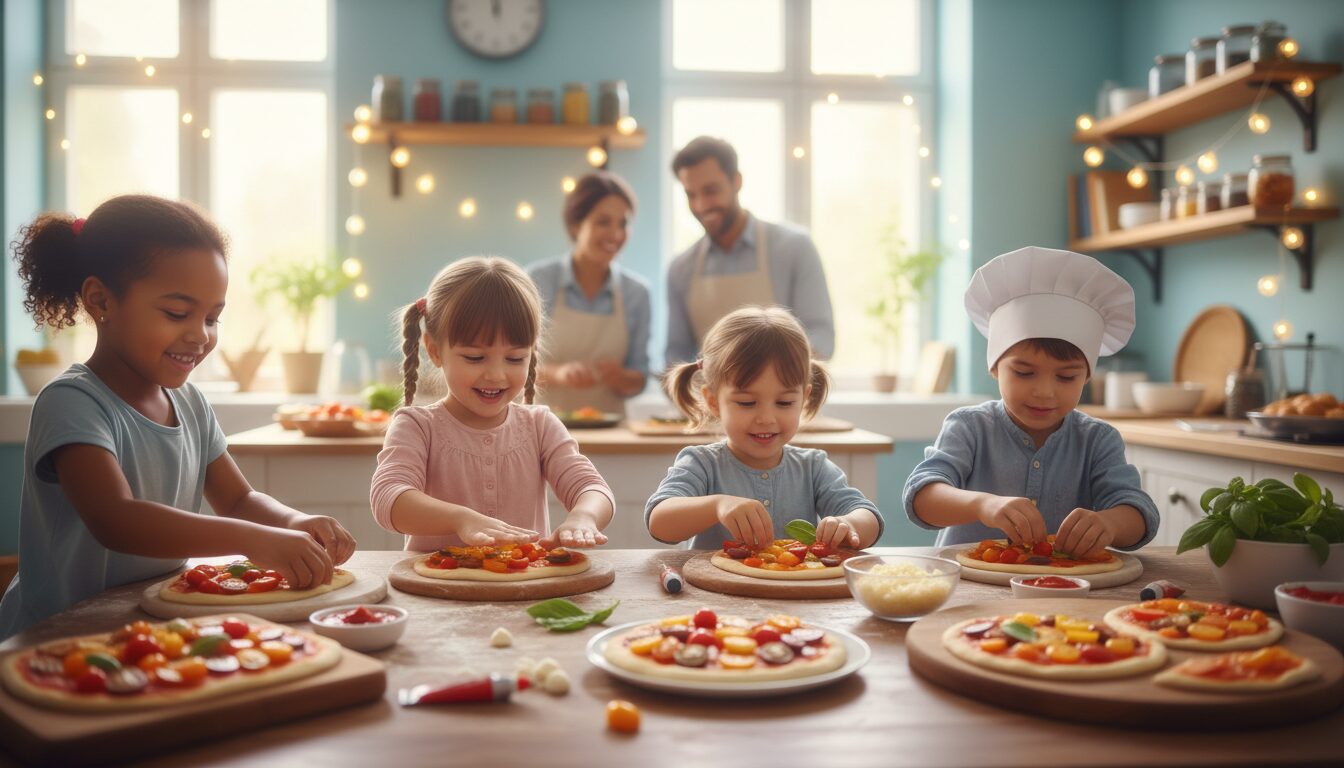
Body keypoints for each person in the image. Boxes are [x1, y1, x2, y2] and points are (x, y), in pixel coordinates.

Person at [0, 195, 356, 640]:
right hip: (56, 639)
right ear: (100, 300)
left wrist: (291, 522)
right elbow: (117, 519)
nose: (200, 335)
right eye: (177, 313)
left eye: (213, 317)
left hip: (147, 632)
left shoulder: (189, 403)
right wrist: (252, 539)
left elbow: (240, 500)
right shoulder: (71, 401)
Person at [903, 246, 1159, 556]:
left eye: (1066, 378)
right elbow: (923, 497)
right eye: (1025, 373)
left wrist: (1110, 524)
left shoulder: (1097, 440)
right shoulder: (969, 427)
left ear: (1087, 377)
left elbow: (1139, 512)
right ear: (996, 367)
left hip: (1063, 590)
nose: (1045, 392)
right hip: (967, 587)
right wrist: (984, 505)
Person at [370, 256, 615, 551]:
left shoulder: (540, 426)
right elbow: (388, 498)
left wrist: (584, 516)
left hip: (525, 590)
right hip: (434, 593)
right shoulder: (417, 426)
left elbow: (593, 488)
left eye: (515, 358)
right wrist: (460, 519)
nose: (496, 374)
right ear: (434, 350)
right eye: (475, 357)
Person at [645, 306, 882, 549]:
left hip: (796, 587)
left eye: (784, 402)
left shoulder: (813, 468)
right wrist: (717, 505)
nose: (766, 418)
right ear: (713, 401)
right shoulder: (702, 464)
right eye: (747, 403)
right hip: (712, 588)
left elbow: (868, 518)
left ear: (804, 398)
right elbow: (659, 522)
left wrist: (849, 524)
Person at [664, 136, 835, 367]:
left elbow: (822, 336)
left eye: (710, 191)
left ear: (736, 181)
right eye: (691, 195)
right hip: (710, 402)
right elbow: (675, 358)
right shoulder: (680, 269)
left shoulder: (794, 248)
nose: (701, 206)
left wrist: (773, 374)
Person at [527, 171, 651, 416]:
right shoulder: (537, 280)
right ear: (576, 225)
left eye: (623, 224)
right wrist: (558, 374)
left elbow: (640, 378)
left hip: (611, 437)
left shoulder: (637, 293)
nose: (616, 234)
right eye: (603, 222)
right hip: (538, 431)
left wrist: (619, 377)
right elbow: (507, 361)